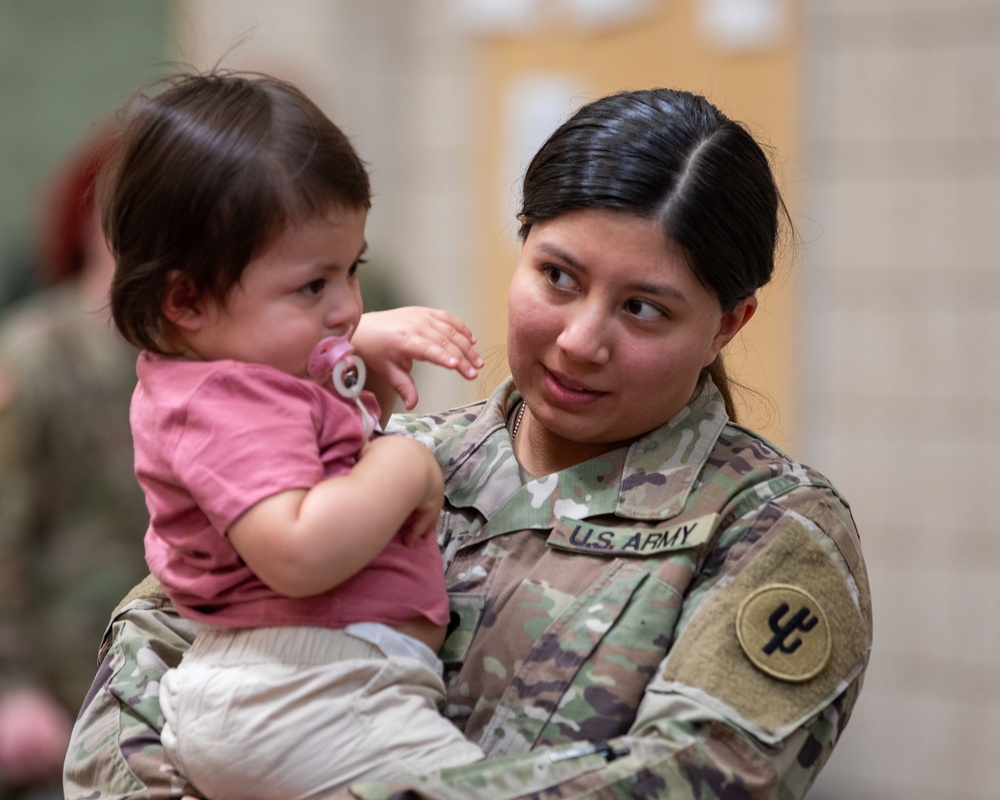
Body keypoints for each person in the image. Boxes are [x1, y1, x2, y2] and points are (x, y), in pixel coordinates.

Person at [64, 87, 872, 800]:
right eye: (558, 277)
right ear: (518, 244)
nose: (582, 339)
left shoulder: (768, 531)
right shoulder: (390, 455)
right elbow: (145, 660)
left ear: (727, 324)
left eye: (644, 310)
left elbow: (700, 774)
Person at [97, 71, 485, 800]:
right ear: (186, 299)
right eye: (313, 286)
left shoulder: (219, 372)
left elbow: (286, 394)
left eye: (353, 270)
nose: (345, 305)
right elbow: (299, 551)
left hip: (304, 685)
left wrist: (354, 339)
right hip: (309, 690)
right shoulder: (224, 403)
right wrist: (403, 465)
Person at [0, 128, 149, 800]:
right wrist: (12, 688)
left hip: (158, 712)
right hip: (52, 717)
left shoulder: (204, 366)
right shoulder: (33, 359)